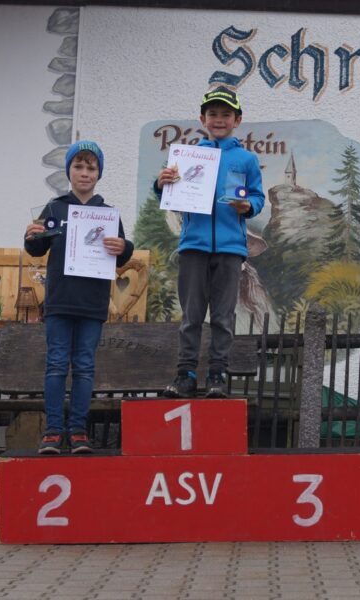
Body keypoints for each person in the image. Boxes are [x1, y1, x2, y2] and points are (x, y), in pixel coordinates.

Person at [155, 86, 265, 398]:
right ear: (202, 119)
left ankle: (217, 375)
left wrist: (249, 206)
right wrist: (161, 184)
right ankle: (186, 375)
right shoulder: (187, 157)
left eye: (226, 114)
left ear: (237, 120)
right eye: (212, 114)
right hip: (193, 246)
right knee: (191, 315)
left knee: (223, 316)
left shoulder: (246, 160)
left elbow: (257, 197)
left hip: (230, 249)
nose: (219, 119)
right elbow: (169, 194)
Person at [25, 140, 133, 454]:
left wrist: (124, 247)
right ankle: (53, 432)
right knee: (56, 365)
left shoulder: (108, 214)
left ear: (99, 173)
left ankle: (78, 432)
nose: (85, 173)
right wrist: (30, 237)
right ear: (69, 170)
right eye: (79, 166)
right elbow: (37, 248)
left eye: (91, 167)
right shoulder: (54, 208)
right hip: (60, 301)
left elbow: (121, 251)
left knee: (85, 367)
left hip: (92, 303)